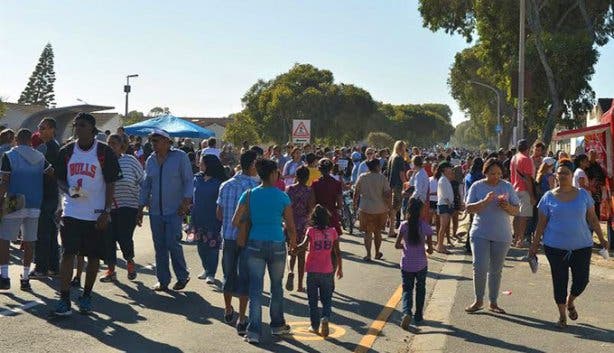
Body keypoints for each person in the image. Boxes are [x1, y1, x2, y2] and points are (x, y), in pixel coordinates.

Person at [53, 113, 121, 315]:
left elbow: (111, 183)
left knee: (92, 258)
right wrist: (68, 193)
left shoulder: (104, 152)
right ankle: (64, 298)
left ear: (92, 128)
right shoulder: (66, 151)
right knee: (68, 254)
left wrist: (106, 211)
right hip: (72, 212)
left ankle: (87, 296)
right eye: (75, 125)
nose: (78, 128)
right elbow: (59, 179)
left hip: (95, 214)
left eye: (82, 125)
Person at [529, 159, 609, 328]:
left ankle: (570, 301)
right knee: (559, 281)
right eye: (560, 172)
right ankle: (562, 314)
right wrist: (533, 248)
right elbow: (541, 225)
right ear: (555, 175)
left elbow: (593, 219)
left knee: (582, 280)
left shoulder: (583, 195)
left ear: (572, 175)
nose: (563, 175)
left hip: (582, 246)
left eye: (566, 172)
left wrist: (602, 240)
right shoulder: (548, 197)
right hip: (554, 247)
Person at [232, 159, 298, 344]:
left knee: (255, 289)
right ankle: (277, 325)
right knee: (276, 286)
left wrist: (250, 220)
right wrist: (293, 244)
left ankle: (253, 331)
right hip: (277, 243)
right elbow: (291, 226)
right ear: (272, 174)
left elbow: (235, 221)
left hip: (254, 244)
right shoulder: (282, 196)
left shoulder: (249, 194)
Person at [138, 129, 192, 292]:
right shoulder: (151, 160)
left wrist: (186, 202)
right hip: (155, 211)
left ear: (168, 142)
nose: (153, 143)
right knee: (159, 246)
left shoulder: (180, 157)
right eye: (152, 140)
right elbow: (146, 185)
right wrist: (140, 206)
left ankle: (182, 276)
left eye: (157, 140)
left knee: (172, 243)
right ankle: (163, 280)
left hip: (175, 210)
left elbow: (189, 180)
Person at [465, 158, 520, 314]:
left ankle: (493, 302)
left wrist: (507, 206)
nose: (495, 176)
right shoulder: (477, 186)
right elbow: (468, 208)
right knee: (479, 267)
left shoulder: (507, 186)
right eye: (492, 173)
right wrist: (484, 201)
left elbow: (517, 210)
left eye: (498, 173)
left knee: (496, 270)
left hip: (502, 234)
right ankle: (478, 300)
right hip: (480, 232)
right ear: (485, 172)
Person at [0, 129, 52, 291]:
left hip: (14, 200)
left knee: (4, 239)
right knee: (29, 241)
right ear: (30, 140)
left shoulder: (9, 155)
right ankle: (26, 277)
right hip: (35, 201)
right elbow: (50, 172)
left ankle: (4, 276)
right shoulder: (40, 157)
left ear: (16, 139)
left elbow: (5, 181)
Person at [216, 150, 259, 335]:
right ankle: (242, 318)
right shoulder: (254, 188)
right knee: (245, 278)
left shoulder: (225, 185)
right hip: (247, 238)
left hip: (228, 236)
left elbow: (219, 214)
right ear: (251, 165)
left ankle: (227, 309)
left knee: (228, 275)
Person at [100, 134, 144, 282]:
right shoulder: (102, 163)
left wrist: (141, 207)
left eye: (114, 144)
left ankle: (129, 261)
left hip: (129, 206)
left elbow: (142, 181)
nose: (111, 146)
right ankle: (111, 270)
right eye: (109, 143)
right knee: (108, 239)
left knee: (124, 237)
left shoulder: (130, 160)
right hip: (108, 207)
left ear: (121, 146)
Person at [298, 205, 343, 337]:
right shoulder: (333, 232)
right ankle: (325, 317)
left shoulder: (311, 231)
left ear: (313, 218)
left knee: (312, 301)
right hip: (327, 270)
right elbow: (338, 253)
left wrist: (294, 248)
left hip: (312, 270)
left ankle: (315, 325)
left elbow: (303, 246)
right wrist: (339, 268)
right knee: (327, 299)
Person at [395, 198, 433, 329]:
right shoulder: (424, 226)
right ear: (421, 212)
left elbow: (397, 245)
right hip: (421, 263)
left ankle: (406, 312)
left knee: (407, 290)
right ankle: (418, 315)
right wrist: (427, 248)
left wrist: (405, 246)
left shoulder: (404, 225)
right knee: (420, 288)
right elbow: (431, 249)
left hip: (406, 264)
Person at [30, 118, 61, 278]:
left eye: (43, 128)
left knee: (42, 233)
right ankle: (53, 267)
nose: (40, 130)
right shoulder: (48, 146)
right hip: (49, 194)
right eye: (39, 127)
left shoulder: (50, 148)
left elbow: (50, 172)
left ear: (52, 130)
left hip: (46, 194)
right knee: (49, 232)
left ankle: (41, 268)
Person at [192, 154, 227, 284]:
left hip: (213, 219)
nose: (199, 164)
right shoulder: (197, 178)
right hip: (197, 217)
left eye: (201, 162)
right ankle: (206, 268)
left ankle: (211, 273)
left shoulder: (219, 182)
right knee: (201, 246)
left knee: (212, 246)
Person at [353, 159, 391, 261]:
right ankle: (377, 252)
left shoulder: (362, 177)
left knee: (367, 233)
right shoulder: (382, 178)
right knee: (378, 232)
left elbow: (356, 192)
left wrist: (354, 204)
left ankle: (368, 254)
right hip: (380, 209)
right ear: (377, 167)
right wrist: (389, 207)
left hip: (365, 208)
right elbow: (387, 194)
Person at [285, 166, 315, 292]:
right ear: (307, 178)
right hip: (303, 223)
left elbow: (285, 207)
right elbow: (311, 208)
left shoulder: (289, 189)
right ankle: (299, 285)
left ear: (296, 176)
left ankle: (290, 271)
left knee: (291, 250)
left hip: (290, 222)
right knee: (302, 254)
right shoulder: (309, 191)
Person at [510, 139, 536, 248]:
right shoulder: (527, 159)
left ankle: (515, 238)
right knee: (523, 217)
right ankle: (520, 240)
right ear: (528, 148)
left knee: (516, 215)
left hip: (514, 188)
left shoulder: (514, 158)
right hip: (524, 190)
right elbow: (528, 179)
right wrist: (531, 195)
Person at [311, 158, 343, 238]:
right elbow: (340, 204)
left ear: (319, 169)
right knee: (334, 241)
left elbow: (312, 202)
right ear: (331, 169)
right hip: (332, 214)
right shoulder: (337, 183)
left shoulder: (315, 183)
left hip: (318, 217)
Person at [463, 157, 484, 253]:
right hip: (479, 201)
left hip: (469, 201)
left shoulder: (468, 175)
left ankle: (468, 244)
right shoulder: (480, 176)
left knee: (471, 223)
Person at [388, 141, 408, 238]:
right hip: (398, 186)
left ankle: (391, 228)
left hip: (391, 185)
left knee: (393, 208)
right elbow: (401, 174)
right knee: (396, 207)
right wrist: (406, 183)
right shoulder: (399, 158)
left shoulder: (391, 157)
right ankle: (391, 230)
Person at [436, 162, 454, 254]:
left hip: (447, 204)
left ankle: (440, 245)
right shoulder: (442, 179)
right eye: (449, 168)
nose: (450, 169)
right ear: (444, 169)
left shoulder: (445, 179)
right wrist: (449, 204)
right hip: (444, 205)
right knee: (443, 227)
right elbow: (444, 195)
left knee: (444, 227)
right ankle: (439, 246)